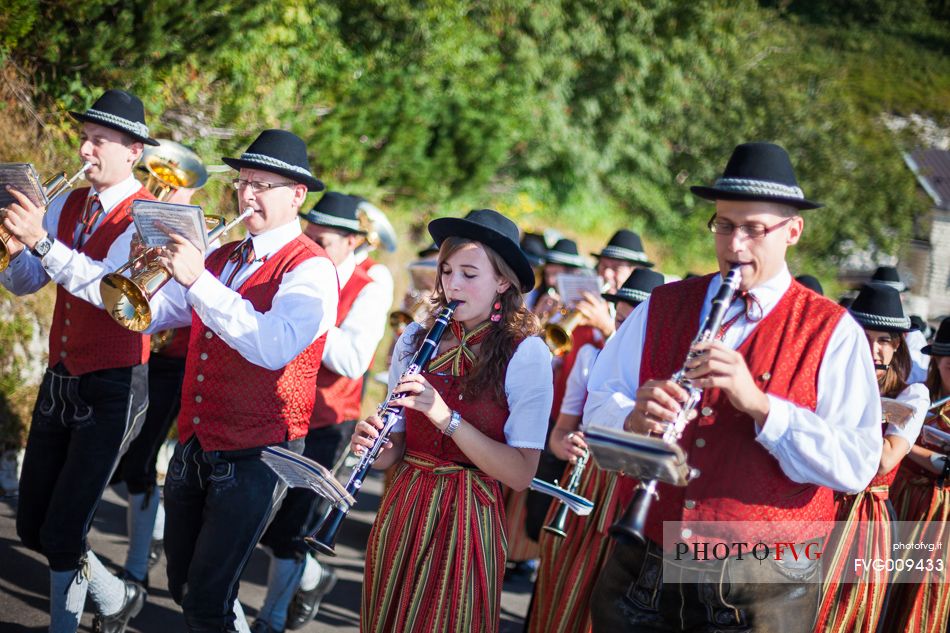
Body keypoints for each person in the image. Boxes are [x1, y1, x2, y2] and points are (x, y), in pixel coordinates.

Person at [583, 142, 882, 632]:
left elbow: (856, 464)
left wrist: (763, 407)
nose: (734, 246)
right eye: (724, 225)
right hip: (647, 565)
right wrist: (634, 418)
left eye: (753, 230)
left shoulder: (832, 330)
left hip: (761, 584)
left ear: (792, 231)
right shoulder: (661, 306)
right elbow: (598, 410)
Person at [139, 128, 339, 632]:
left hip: (259, 448)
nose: (246, 194)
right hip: (197, 440)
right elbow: (154, 312)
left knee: (208, 599)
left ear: (296, 195)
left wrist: (196, 279)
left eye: (261, 185)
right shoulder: (224, 256)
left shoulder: (311, 269)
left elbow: (271, 346)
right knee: (182, 584)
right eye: (243, 181)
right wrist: (142, 266)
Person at [1, 89, 158, 633]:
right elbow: (29, 284)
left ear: (133, 151)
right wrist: (13, 249)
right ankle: (115, 598)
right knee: (32, 527)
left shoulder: (146, 218)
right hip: (62, 375)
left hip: (115, 382)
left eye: (100, 141)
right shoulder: (69, 204)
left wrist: (41, 241)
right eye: (85, 138)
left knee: (65, 530)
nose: (86, 149)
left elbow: (109, 292)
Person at [352, 208, 553, 633]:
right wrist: (373, 444)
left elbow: (520, 473)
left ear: (502, 281)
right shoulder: (415, 338)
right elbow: (395, 452)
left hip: (468, 515)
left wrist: (446, 418)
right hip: (404, 505)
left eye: (468, 273)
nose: (452, 284)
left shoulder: (526, 353)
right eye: (446, 272)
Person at [253, 192, 390, 633]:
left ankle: (271, 619)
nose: (312, 247)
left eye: (324, 241)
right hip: (276, 410)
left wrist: (304, 314)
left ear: (352, 242)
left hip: (329, 421)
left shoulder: (368, 286)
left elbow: (353, 360)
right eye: (308, 236)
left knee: (291, 527)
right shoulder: (298, 267)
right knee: (261, 521)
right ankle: (314, 579)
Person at [527, 268, 664, 633]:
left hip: (630, 500)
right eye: (619, 321)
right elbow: (557, 437)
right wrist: (567, 445)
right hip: (584, 490)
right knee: (562, 586)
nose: (624, 333)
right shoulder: (590, 357)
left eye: (630, 324)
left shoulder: (668, 374)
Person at [814, 283, 928, 632]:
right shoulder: (826, 380)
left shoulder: (912, 393)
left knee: (847, 614)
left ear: (897, 347)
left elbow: (884, 459)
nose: (873, 350)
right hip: (817, 502)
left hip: (864, 516)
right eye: (864, 337)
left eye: (884, 341)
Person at [885, 316, 950, 633]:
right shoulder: (919, 396)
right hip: (902, 502)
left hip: (940, 518)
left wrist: (903, 444)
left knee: (924, 591)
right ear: (936, 362)